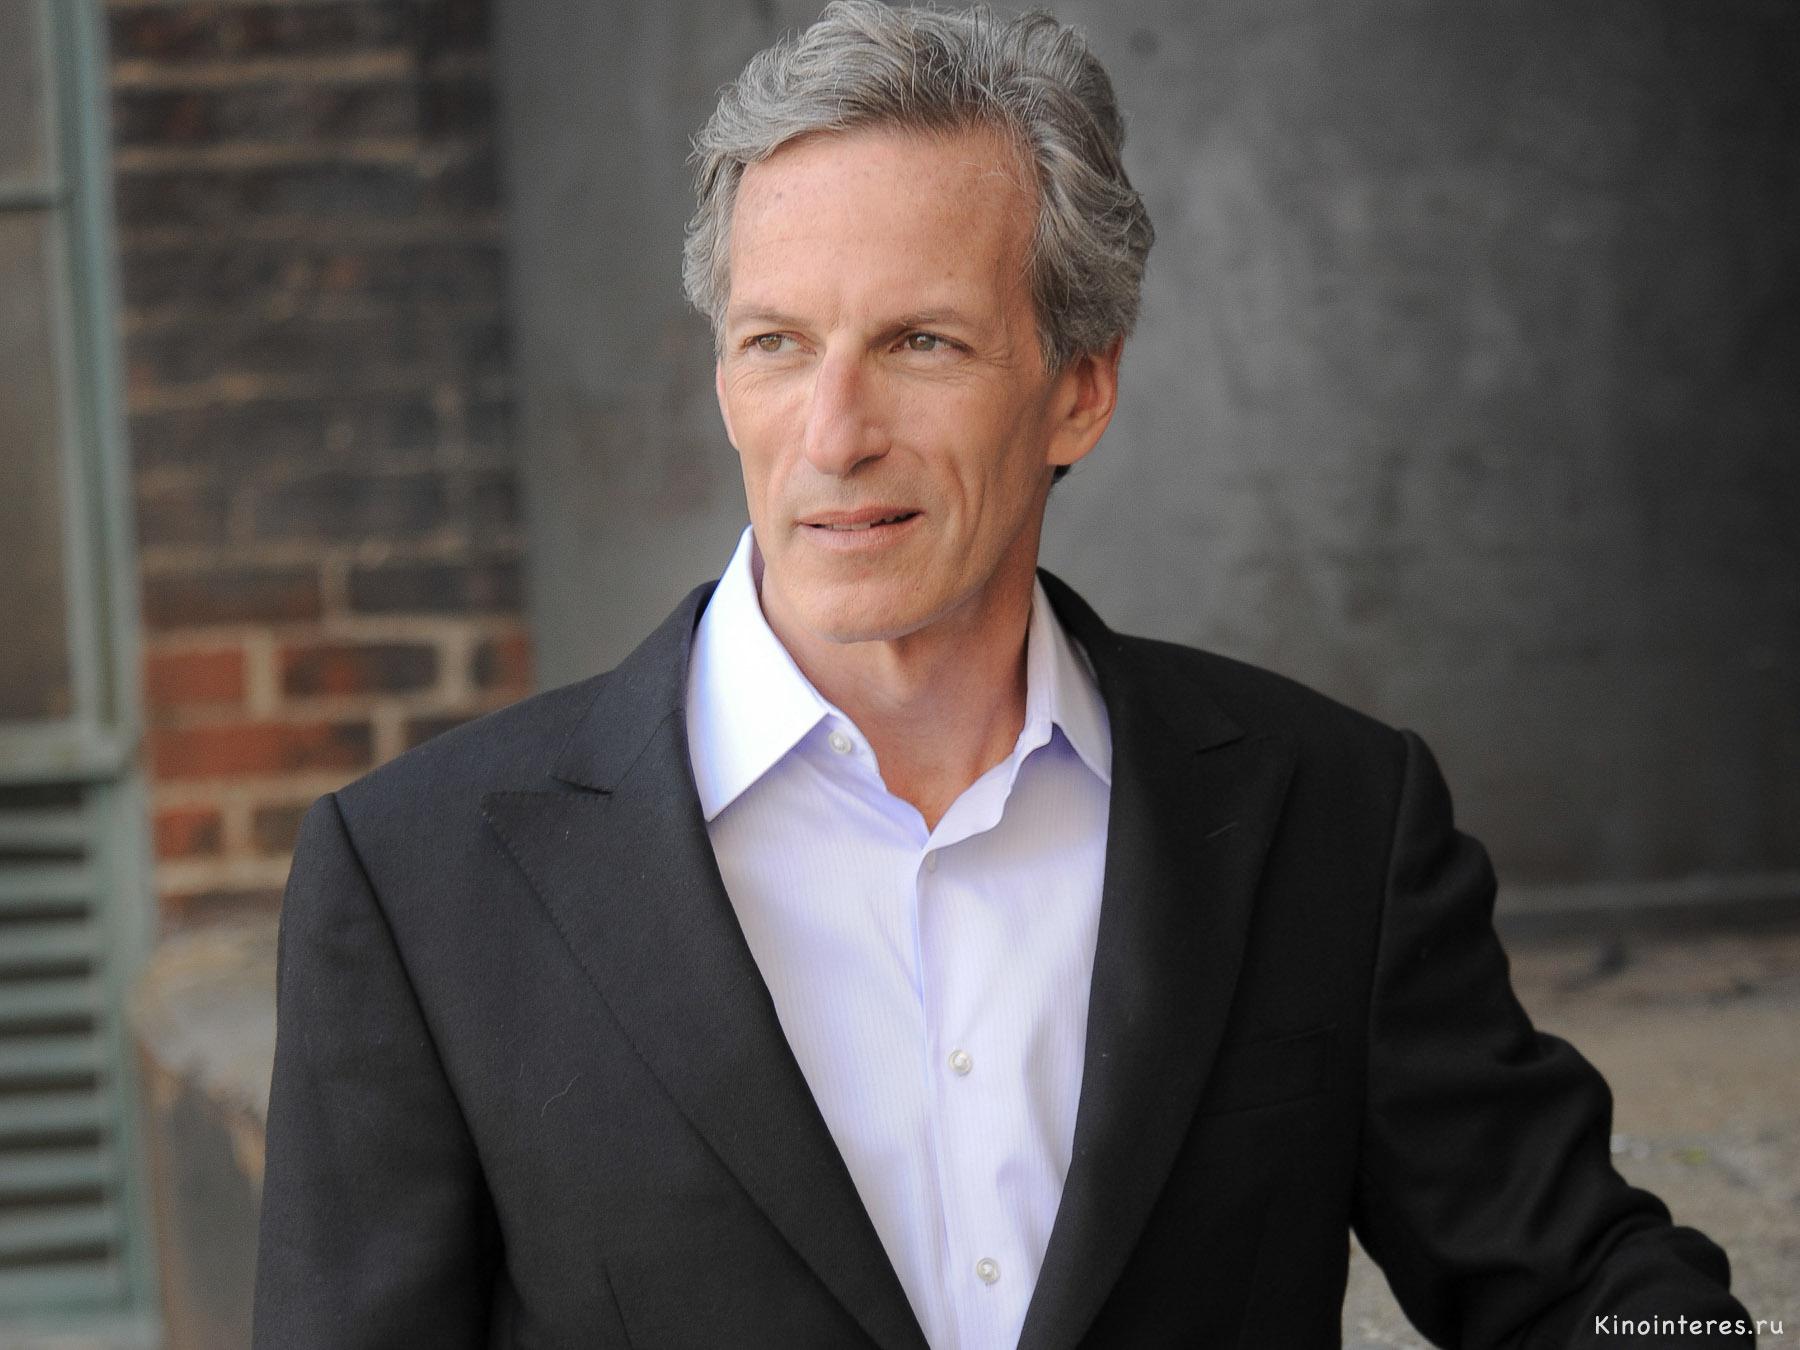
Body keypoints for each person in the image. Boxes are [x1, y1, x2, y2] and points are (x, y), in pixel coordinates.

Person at [252, 5, 1755, 1347]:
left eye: (920, 341)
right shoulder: (421, 883)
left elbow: (1587, 1278)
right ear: (722, 374)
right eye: (777, 343)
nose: (835, 433)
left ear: (1079, 388)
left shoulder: (1333, 820)